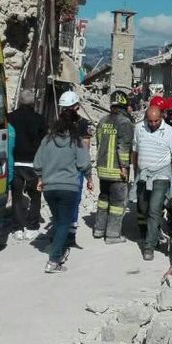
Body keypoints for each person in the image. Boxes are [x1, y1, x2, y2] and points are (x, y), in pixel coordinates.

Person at [33, 106, 91, 273]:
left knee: (58, 220)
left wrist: (40, 177)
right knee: (64, 222)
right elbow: (83, 163)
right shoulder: (76, 141)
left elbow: (38, 163)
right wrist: (89, 179)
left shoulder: (47, 140)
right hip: (69, 187)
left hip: (49, 188)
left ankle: (57, 245)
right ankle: (54, 260)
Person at [134, 105, 172, 261]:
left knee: (154, 209)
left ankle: (149, 247)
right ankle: (154, 236)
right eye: (150, 121)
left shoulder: (169, 132)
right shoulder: (139, 128)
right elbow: (135, 151)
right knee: (143, 207)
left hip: (161, 176)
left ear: (161, 117)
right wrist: (135, 172)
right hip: (143, 176)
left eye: (156, 121)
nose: (153, 124)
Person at [94, 90, 135, 244]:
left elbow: (99, 144)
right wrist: (124, 167)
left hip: (102, 169)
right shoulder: (125, 123)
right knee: (118, 204)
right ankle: (112, 235)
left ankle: (99, 229)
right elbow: (123, 148)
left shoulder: (103, 121)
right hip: (117, 171)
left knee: (103, 199)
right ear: (125, 107)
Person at [8, 89, 47, 240]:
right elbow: (45, 142)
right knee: (36, 196)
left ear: (20, 101)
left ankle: (17, 228)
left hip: (15, 162)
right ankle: (32, 227)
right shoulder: (39, 119)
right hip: (33, 164)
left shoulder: (10, 117)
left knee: (16, 196)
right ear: (33, 102)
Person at [58, 90, 93, 247]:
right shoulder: (57, 124)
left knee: (73, 201)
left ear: (76, 107)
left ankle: (70, 233)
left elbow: (85, 151)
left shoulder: (83, 124)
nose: (65, 112)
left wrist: (88, 175)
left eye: (67, 108)